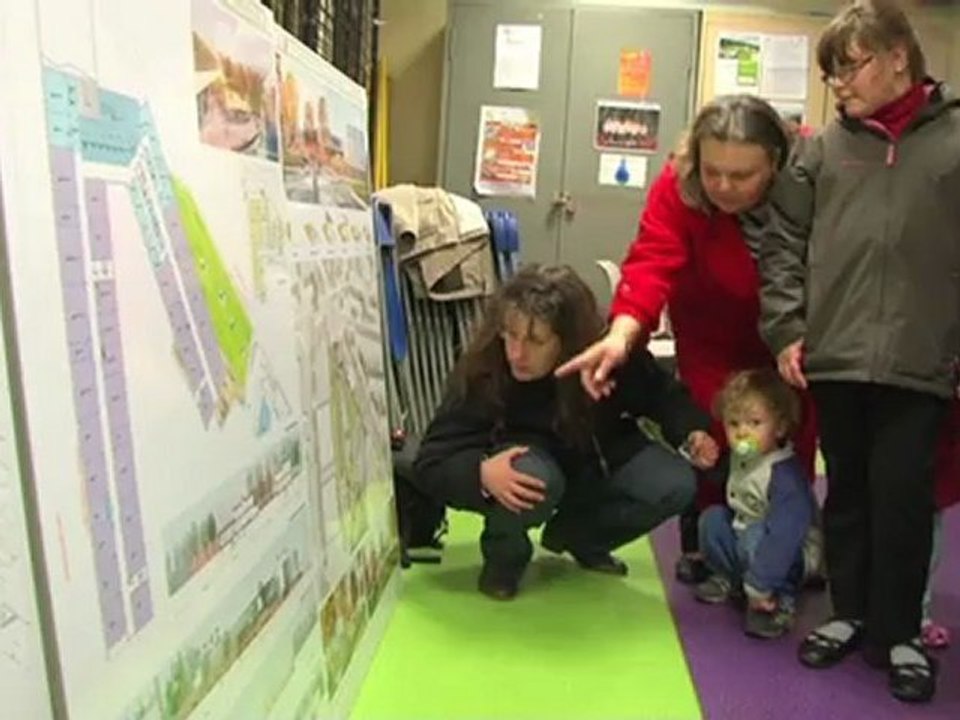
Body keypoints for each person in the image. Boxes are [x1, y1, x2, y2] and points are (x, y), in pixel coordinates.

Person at [758, 0, 960, 704]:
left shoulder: (956, 141)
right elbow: (781, 243)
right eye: (830, 73)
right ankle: (848, 615)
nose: (838, 85)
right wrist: (786, 330)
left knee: (903, 498)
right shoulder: (823, 151)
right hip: (836, 354)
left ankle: (899, 633)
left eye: (849, 67)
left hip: (921, 359)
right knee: (844, 494)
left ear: (898, 56)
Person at [556, 94, 818, 586]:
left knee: (788, 435)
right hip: (710, 328)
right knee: (715, 432)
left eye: (742, 176)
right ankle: (712, 543)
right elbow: (652, 259)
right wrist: (621, 333)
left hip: (788, 332)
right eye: (713, 170)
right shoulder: (679, 184)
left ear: (776, 164)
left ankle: (785, 546)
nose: (723, 186)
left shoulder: (812, 175)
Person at [413, 264, 719, 600]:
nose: (516, 352)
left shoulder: (606, 353)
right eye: (510, 335)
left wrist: (691, 431)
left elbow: (662, 394)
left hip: (599, 460)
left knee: (674, 483)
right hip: (532, 464)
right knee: (526, 477)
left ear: (569, 340)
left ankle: (582, 539)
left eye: (535, 340)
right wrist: (480, 473)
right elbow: (431, 459)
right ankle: (504, 558)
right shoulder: (485, 368)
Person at [695, 369, 822, 640]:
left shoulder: (784, 474)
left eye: (754, 423)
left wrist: (762, 585)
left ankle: (778, 598)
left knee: (756, 537)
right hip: (750, 535)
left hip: (790, 552)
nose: (742, 433)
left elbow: (785, 536)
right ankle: (732, 579)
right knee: (713, 519)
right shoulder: (741, 458)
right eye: (733, 424)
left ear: (779, 427)